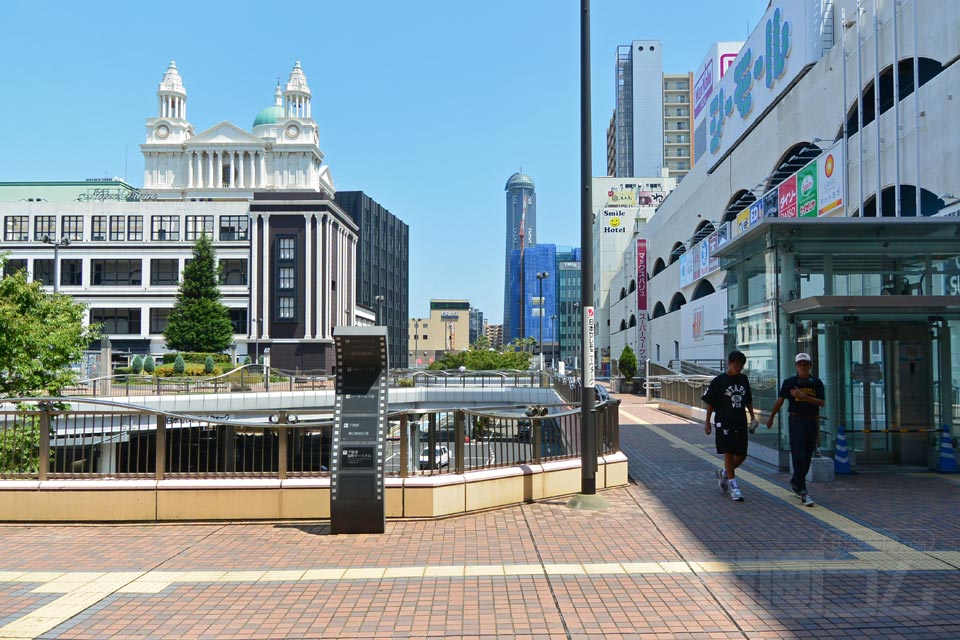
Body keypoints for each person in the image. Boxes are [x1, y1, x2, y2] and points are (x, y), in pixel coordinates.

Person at [767, 352, 825, 507]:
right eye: (800, 364)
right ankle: (803, 490)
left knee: (807, 454)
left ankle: (796, 481)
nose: (803, 366)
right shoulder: (789, 382)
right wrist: (771, 417)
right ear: (796, 366)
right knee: (798, 453)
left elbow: (821, 402)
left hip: (811, 421)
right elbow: (780, 401)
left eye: (805, 363)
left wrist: (804, 396)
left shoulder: (816, 383)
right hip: (796, 420)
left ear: (810, 365)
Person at [702, 350, 757, 502]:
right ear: (729, 364)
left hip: (740, 421)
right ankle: (734, 487)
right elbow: (710, 403)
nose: (738, 367)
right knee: (729, 453)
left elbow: (748, 400)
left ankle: (725, 474)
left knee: (741, 456)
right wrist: (707, 422)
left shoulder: (743, 379)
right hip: (724, 422)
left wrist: (752, 417)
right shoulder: (719, 381)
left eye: (741, 365)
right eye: (736, 364)